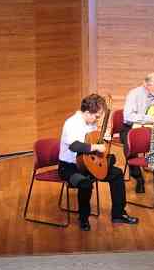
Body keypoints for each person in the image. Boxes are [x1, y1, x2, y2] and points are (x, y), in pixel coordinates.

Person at [58, 94, 139, 231]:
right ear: (88, 112)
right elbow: (74, 146)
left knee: (117, 174)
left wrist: (103, 137)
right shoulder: (71, 123)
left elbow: (93, 140)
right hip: (70, 167)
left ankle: (118, 214)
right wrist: (95, 147)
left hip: (90, 163)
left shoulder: (91, 122)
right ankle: (83, 218)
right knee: (85, 184)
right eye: (96, 116)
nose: (97, 119)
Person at [121, 72, 154, 194]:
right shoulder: (134, 94)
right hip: (130, 127)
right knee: (129, 147)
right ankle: (138, 178)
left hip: (149, 127)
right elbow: (128, 116)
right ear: (147, 84)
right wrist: (150, 119)